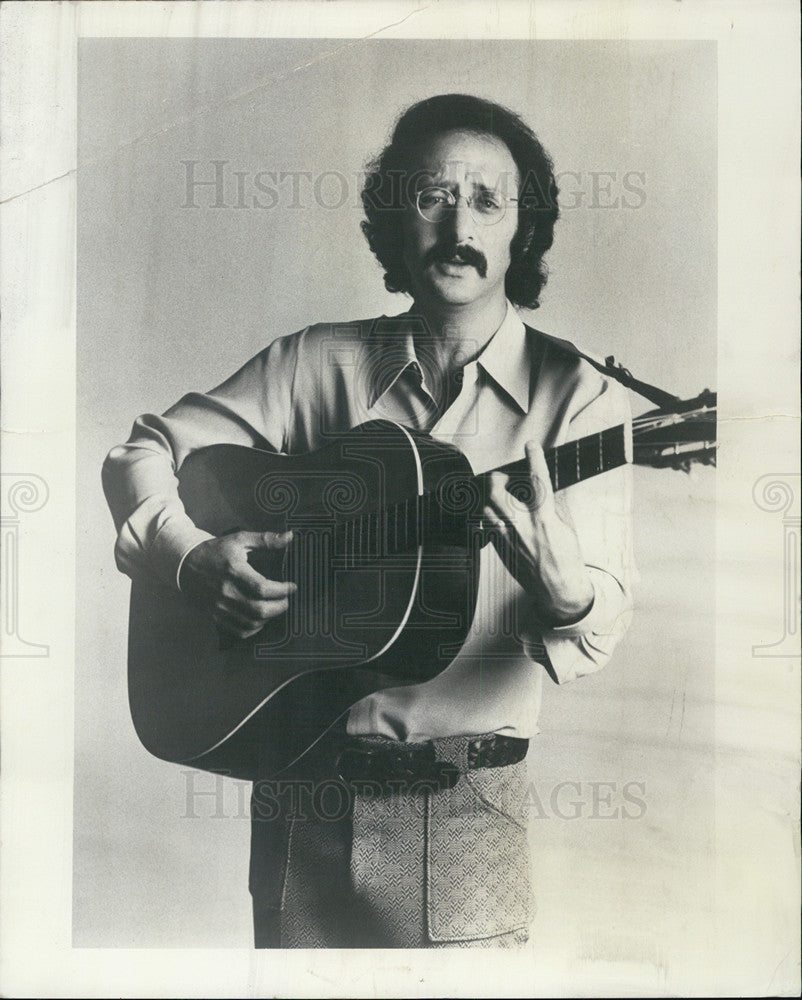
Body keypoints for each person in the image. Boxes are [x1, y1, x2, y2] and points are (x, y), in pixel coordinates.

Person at [102, 93, 636, 948]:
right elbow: (143, 452)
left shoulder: (582, 400)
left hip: (467, 819)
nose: (458, 223)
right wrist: (191, 557)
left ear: (521, 232)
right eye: (431, 196)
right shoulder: (318, 361)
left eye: (488, 202)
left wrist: (567, 592)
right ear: (396, 217)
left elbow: (601, 623)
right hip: (297, 797)